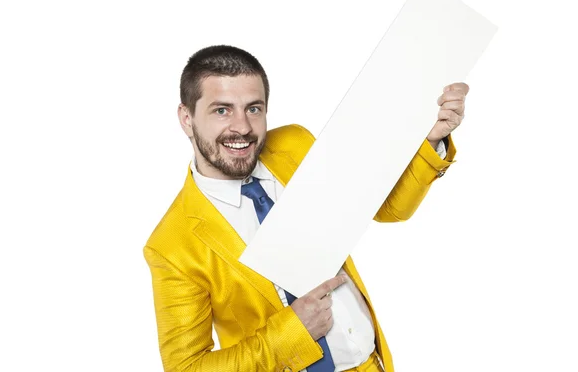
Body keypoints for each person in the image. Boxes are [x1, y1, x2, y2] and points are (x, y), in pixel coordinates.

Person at [144, 45, 466, 372]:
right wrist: (294, 332)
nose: (241, 127)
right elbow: (186, 368)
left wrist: (429, 141)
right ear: (187, 118)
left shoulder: (295, 145)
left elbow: (388, 210)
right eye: (222, 110)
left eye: (253, 109)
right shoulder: (172, 245)